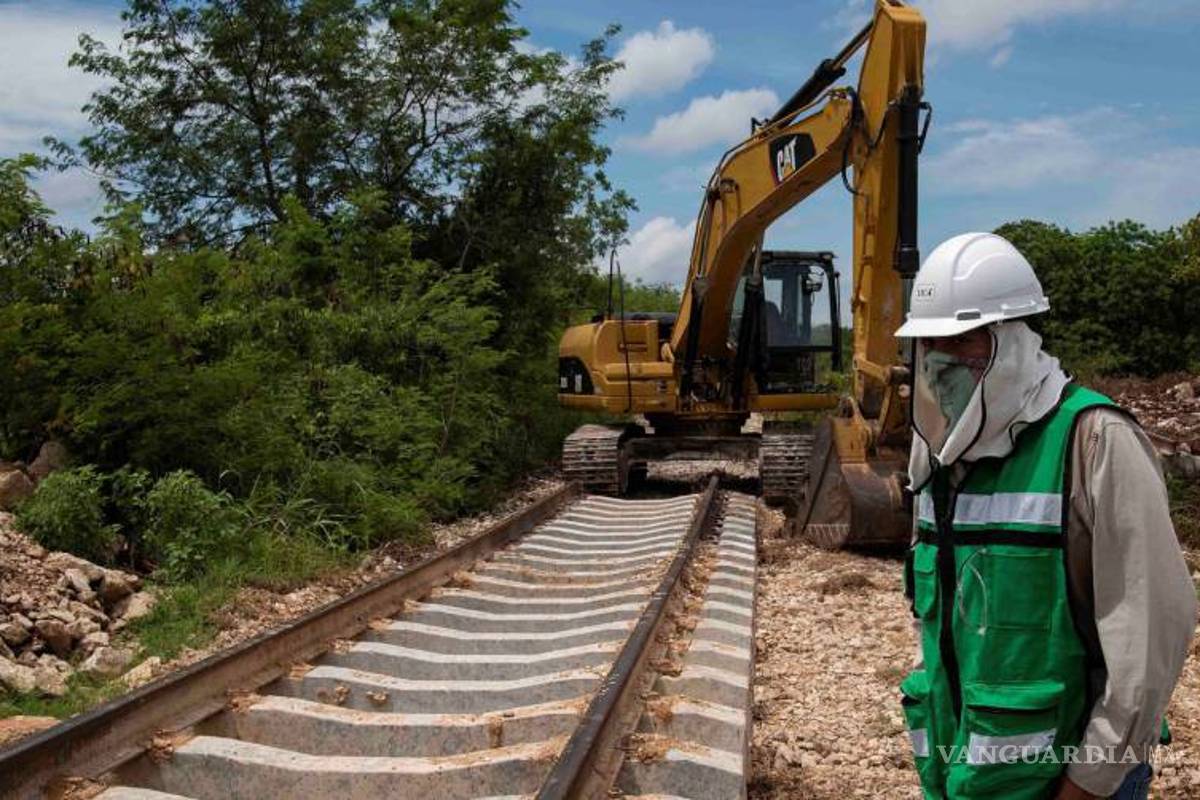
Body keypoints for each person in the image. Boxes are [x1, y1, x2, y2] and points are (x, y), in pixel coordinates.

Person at [892, 232, 1197, 800]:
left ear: (1010, 341)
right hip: (969, 777)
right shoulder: (935, 457)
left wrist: (1089, 782)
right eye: (929, 342)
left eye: (961, 340)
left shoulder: (1095, 441)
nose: (939, 360)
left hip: (1075, 784)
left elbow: (1149, 642)